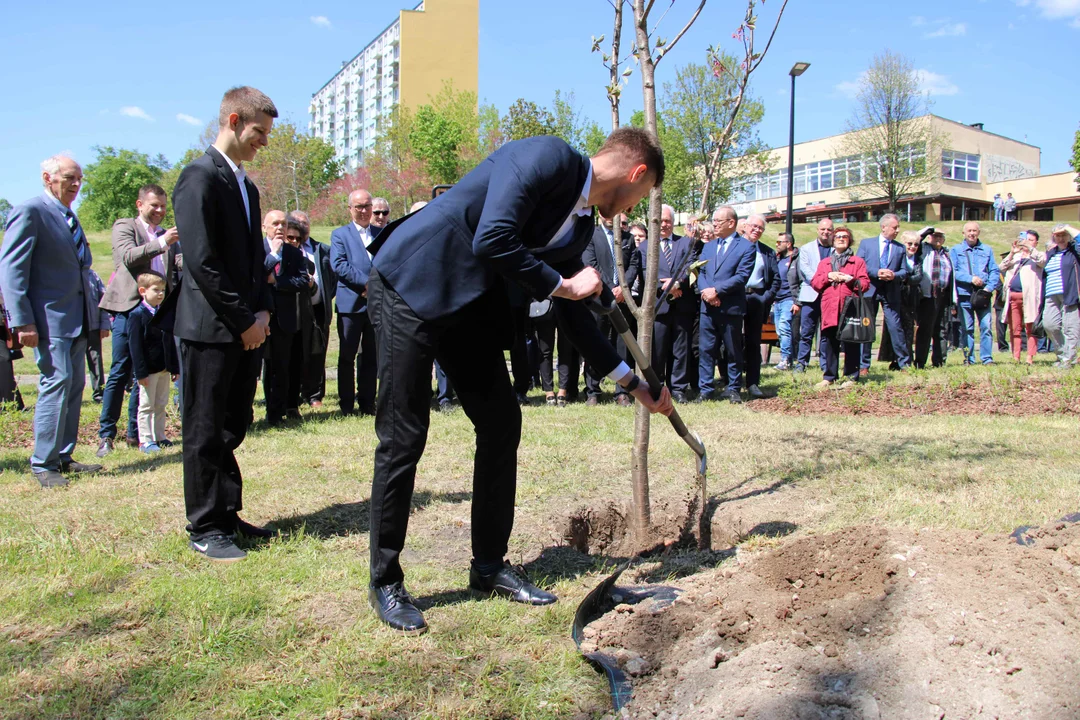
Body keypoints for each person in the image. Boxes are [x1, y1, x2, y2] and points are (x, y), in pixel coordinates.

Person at [364, 128, 673, 634]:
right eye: (644, 194)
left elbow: (577, 315)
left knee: (501, 421)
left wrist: (631, 382)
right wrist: (565, 284)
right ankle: (386, 580)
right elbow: (494, 237)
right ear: (636, 175)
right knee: (404, 435)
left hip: (467, 310)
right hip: (411, 284)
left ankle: (488, 567)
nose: (636, 206)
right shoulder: (545, 156)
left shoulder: (576, 230)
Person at [170, 86, 278, 561]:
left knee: (232, 423)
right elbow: (201, 260)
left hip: (245, 328)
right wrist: (242, 319)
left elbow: (256, 258)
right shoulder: (198, 177)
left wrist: (264, 310)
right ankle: (204, 525)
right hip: (210, 329)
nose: (265, 142)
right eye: (260, 131)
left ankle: (227, 513)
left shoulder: (246, 186)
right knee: (205, 426)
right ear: (234, 121)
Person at [0, 154, 105, 487]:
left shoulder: (69, 216)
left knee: (75, 386)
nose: (76, 184)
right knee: (55, 384)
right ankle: (43, 463)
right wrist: (22, 322)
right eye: (69, 178)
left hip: (76, 319)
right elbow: (13, 270)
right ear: (48, 177)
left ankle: (63, 456)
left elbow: (81, 271)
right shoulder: (30, 211)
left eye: (79, 179)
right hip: (47, 321)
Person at [97, 184, 179, 456]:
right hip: (129, 308)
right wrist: (162, 242)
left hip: (157, 313)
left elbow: (174, 267)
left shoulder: (165, 235)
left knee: (148, 371)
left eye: (163, 207)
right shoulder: (126, 226)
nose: (159, 211)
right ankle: (106, 435)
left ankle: (138, 434)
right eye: (154, 205)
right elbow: (127, 257)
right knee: (121, 371)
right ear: (139, 204)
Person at [696, 205, 756, 403]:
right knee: (706, 349)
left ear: (731, 223)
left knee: (732, 350)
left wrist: (717, 291)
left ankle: (733, 388)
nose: (714, 225)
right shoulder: (709, 246)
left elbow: (741, 277)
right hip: (708, 306)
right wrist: (706, 291)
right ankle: (705, 389)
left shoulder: (746, 247)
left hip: (730, 307)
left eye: (718, 221)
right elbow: (701, 272)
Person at [330, 189, 378, 416]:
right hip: (351, 303)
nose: (364, 211)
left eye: (367, 205)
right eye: (358, 206)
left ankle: (368, 402)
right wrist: (366, 284)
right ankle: (347, 404)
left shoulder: (381, 233)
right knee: (347, 355)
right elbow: (339, 264)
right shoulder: (340, 235)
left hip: (375, 304)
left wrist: (376, 287)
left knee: (371, 356)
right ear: (350, 209)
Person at [263, 213, 314, 426]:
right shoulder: (255, 249)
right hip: (256, 317)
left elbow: (303, 280)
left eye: (283, 224)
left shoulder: (294, 253)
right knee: (254, 368)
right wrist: (273, 255)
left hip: (284, 318)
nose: (279, 228)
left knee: (280, 367)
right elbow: (255, 275)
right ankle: (245, 415)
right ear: (264, 226)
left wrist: (277, 280)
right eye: (275, 224)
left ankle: (276, 413)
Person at [583, 214, 635, 406]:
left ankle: (622, 392)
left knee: (623, 346)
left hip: (623, 299)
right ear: (600, 215)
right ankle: (593, 391)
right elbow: (591, 264)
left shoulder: (628, 238)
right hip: (599, 299)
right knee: (596, 344)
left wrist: (623, 286)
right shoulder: (591, 236)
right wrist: (611, 288)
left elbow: (634, 265)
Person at [811, 226, 871, 389]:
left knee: (851, 341)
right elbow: (815, 283)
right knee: (829, 341)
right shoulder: (825, 263)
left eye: (844, 236)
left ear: (849, 240)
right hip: (830, 307)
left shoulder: (857, 262)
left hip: (850, 307)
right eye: (837, 236)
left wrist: (850, 279)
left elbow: (865, 284)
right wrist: (828, 276)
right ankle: (829, 376)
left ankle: (851, 376)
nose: (841, 238)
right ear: (833, 240)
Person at [127, 272, 178, 452]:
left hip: (163, 367)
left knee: (160, 403)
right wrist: (140, 372)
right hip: (149, 369)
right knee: (147, 404)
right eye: (155, 290)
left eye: (162, 290)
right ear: (143, 291)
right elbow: (135, 346)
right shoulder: (137, 315)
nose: (160, 294)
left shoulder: (162, 313)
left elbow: (169, 341)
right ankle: (146, 439)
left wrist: (174, 366)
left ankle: (159, 436)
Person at [856, 213, 910, 375]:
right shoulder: (867, 244)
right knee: (866, 326)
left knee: (895, 326)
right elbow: (859, 265)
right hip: (870, 289)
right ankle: (863, 364)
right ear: (883, 227)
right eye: (895, 227)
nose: (897, 230)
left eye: (898, 227)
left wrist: (894, 275)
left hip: (890, 292)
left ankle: (904, 363)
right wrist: (876, 272)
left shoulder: (900, 248)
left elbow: (904, 271)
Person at [291, 210, 335, 408]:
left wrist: (325, 294)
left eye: (305, 222)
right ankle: (293, 393)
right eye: (297, 223)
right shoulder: (288, 247)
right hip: (293, 311)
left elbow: (333, 277)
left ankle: (315, 394)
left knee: (317, 353)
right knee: (294, 352)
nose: (302, 226)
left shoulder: (321, 249)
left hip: (318, 308)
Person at [740, 214, 779, 400]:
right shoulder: (735, 247)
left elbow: (776, 279)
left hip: (757, 298)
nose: (756, 230)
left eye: (760, 228)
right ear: (745, 226)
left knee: (754, 342)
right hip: (736, 297)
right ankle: (731, 381)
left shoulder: (767, 252)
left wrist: (765, 298)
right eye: (753, 226)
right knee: (732, 341)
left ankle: (753, 383)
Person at [950, 221, 1000, 365]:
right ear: (963, 233)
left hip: (982, 295)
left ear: (978, 232)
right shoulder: (956, 250)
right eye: (969, 231)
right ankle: (969, 358)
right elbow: (954, 271)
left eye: (974, 231)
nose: (972, 233)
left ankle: (987, 358)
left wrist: (989, 287)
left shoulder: (987, 250)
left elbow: (994, 271)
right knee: (967, 328)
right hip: (964, 294)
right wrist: (970, 279)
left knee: (986, 327)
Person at [793, 218, 834, 372]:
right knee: (807, 332)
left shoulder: (835, 250)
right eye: (823, 229)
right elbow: (806, 270)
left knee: (826, 333)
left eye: (829, 229)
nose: (826, 232)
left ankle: (825, 363)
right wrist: (822, 281)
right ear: (818, 230)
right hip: (810, 294)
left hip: (829, 296)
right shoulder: (806, 249)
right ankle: (802, 362)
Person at [878, 230, 923, 368]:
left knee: (908, 329)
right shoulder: (897, 256)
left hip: (910, 298)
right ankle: (894, 359)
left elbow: (919, 277)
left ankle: (906, 359)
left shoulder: (917, 259)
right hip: (895, 295)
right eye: (909, 243)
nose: (912, 247)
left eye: (916, 244)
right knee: (894, 328)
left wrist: (904, 278)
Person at [1000, 230, 1046, 364]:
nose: (1027, 242)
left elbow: (1042, 261)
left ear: (1036, 242)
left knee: (1030, 327)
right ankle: (1016, 356)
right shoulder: (1016, 256)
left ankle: (1030, 357)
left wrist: (1030, 249)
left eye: (1031, 240)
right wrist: (1012, 252)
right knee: (1015, 328)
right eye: (1026, 239)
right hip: (1013, 296)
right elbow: (1001, 266)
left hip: (1030, 297)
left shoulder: (1038, 255)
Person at [914, 231, 954, 368]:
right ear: (929, 237)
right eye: (935, 236)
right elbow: (916, 239)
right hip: (928, 295)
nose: (937, 239)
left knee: (942, 329)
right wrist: (926, 230)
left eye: (940, 236)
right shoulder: (924, 249)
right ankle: (920, 361)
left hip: (943, 295)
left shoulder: (946, 253)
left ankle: (939, 361)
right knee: (926, 329)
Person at [1042, 224, 1080, 367]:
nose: (1061, 238)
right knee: (1049, 324)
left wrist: (1068, 227)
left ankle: (1068, 358)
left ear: (1069, 236)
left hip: (1070, 293)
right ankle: (1062, 354)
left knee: (1070, 327)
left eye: (1064, 234)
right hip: (1051, 294)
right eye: (1058, 235)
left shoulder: (1075, 251)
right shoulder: (1051, 253)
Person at [772, 233, 797, 370]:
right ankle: (788, 359)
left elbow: (799, 280)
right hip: (777, 300)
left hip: (789, 299)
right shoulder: (778, 259)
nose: (777, 244)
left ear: (788, 244)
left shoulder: (795, 259)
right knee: (780, 331)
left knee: (784, 328)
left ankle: (785, 360)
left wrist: (797, 301)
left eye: (779, 242)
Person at [85, 268, 110, 403]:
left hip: (92, 326)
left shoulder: (93, 275)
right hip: (73, 328)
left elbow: (104, 300)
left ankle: (99, 393)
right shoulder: (66, 273)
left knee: (95, 360)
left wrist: (104, 324)